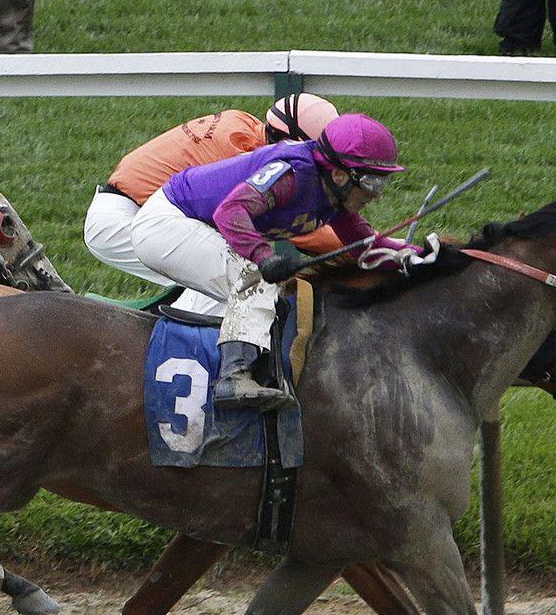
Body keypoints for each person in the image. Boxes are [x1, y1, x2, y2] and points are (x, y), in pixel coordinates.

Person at [121, 114, 428, 412]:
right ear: (339, 174)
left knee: (266, 291)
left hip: (198, 229)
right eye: (373, 182)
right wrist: (263, 257)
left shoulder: (335, 196)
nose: (377, 195)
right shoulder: (292, 174)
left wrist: (416, 256)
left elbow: (366, 248)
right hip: (165, 224)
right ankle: (233, 378)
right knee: (254, 281)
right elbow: (230, 212)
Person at [83, 94, 346, 285]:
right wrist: (371, 248)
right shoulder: (245, 154)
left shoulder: (242, 122)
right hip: (123, 221)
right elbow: (304, 232)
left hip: (131, 209)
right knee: (240, 281)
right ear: (291, 141)